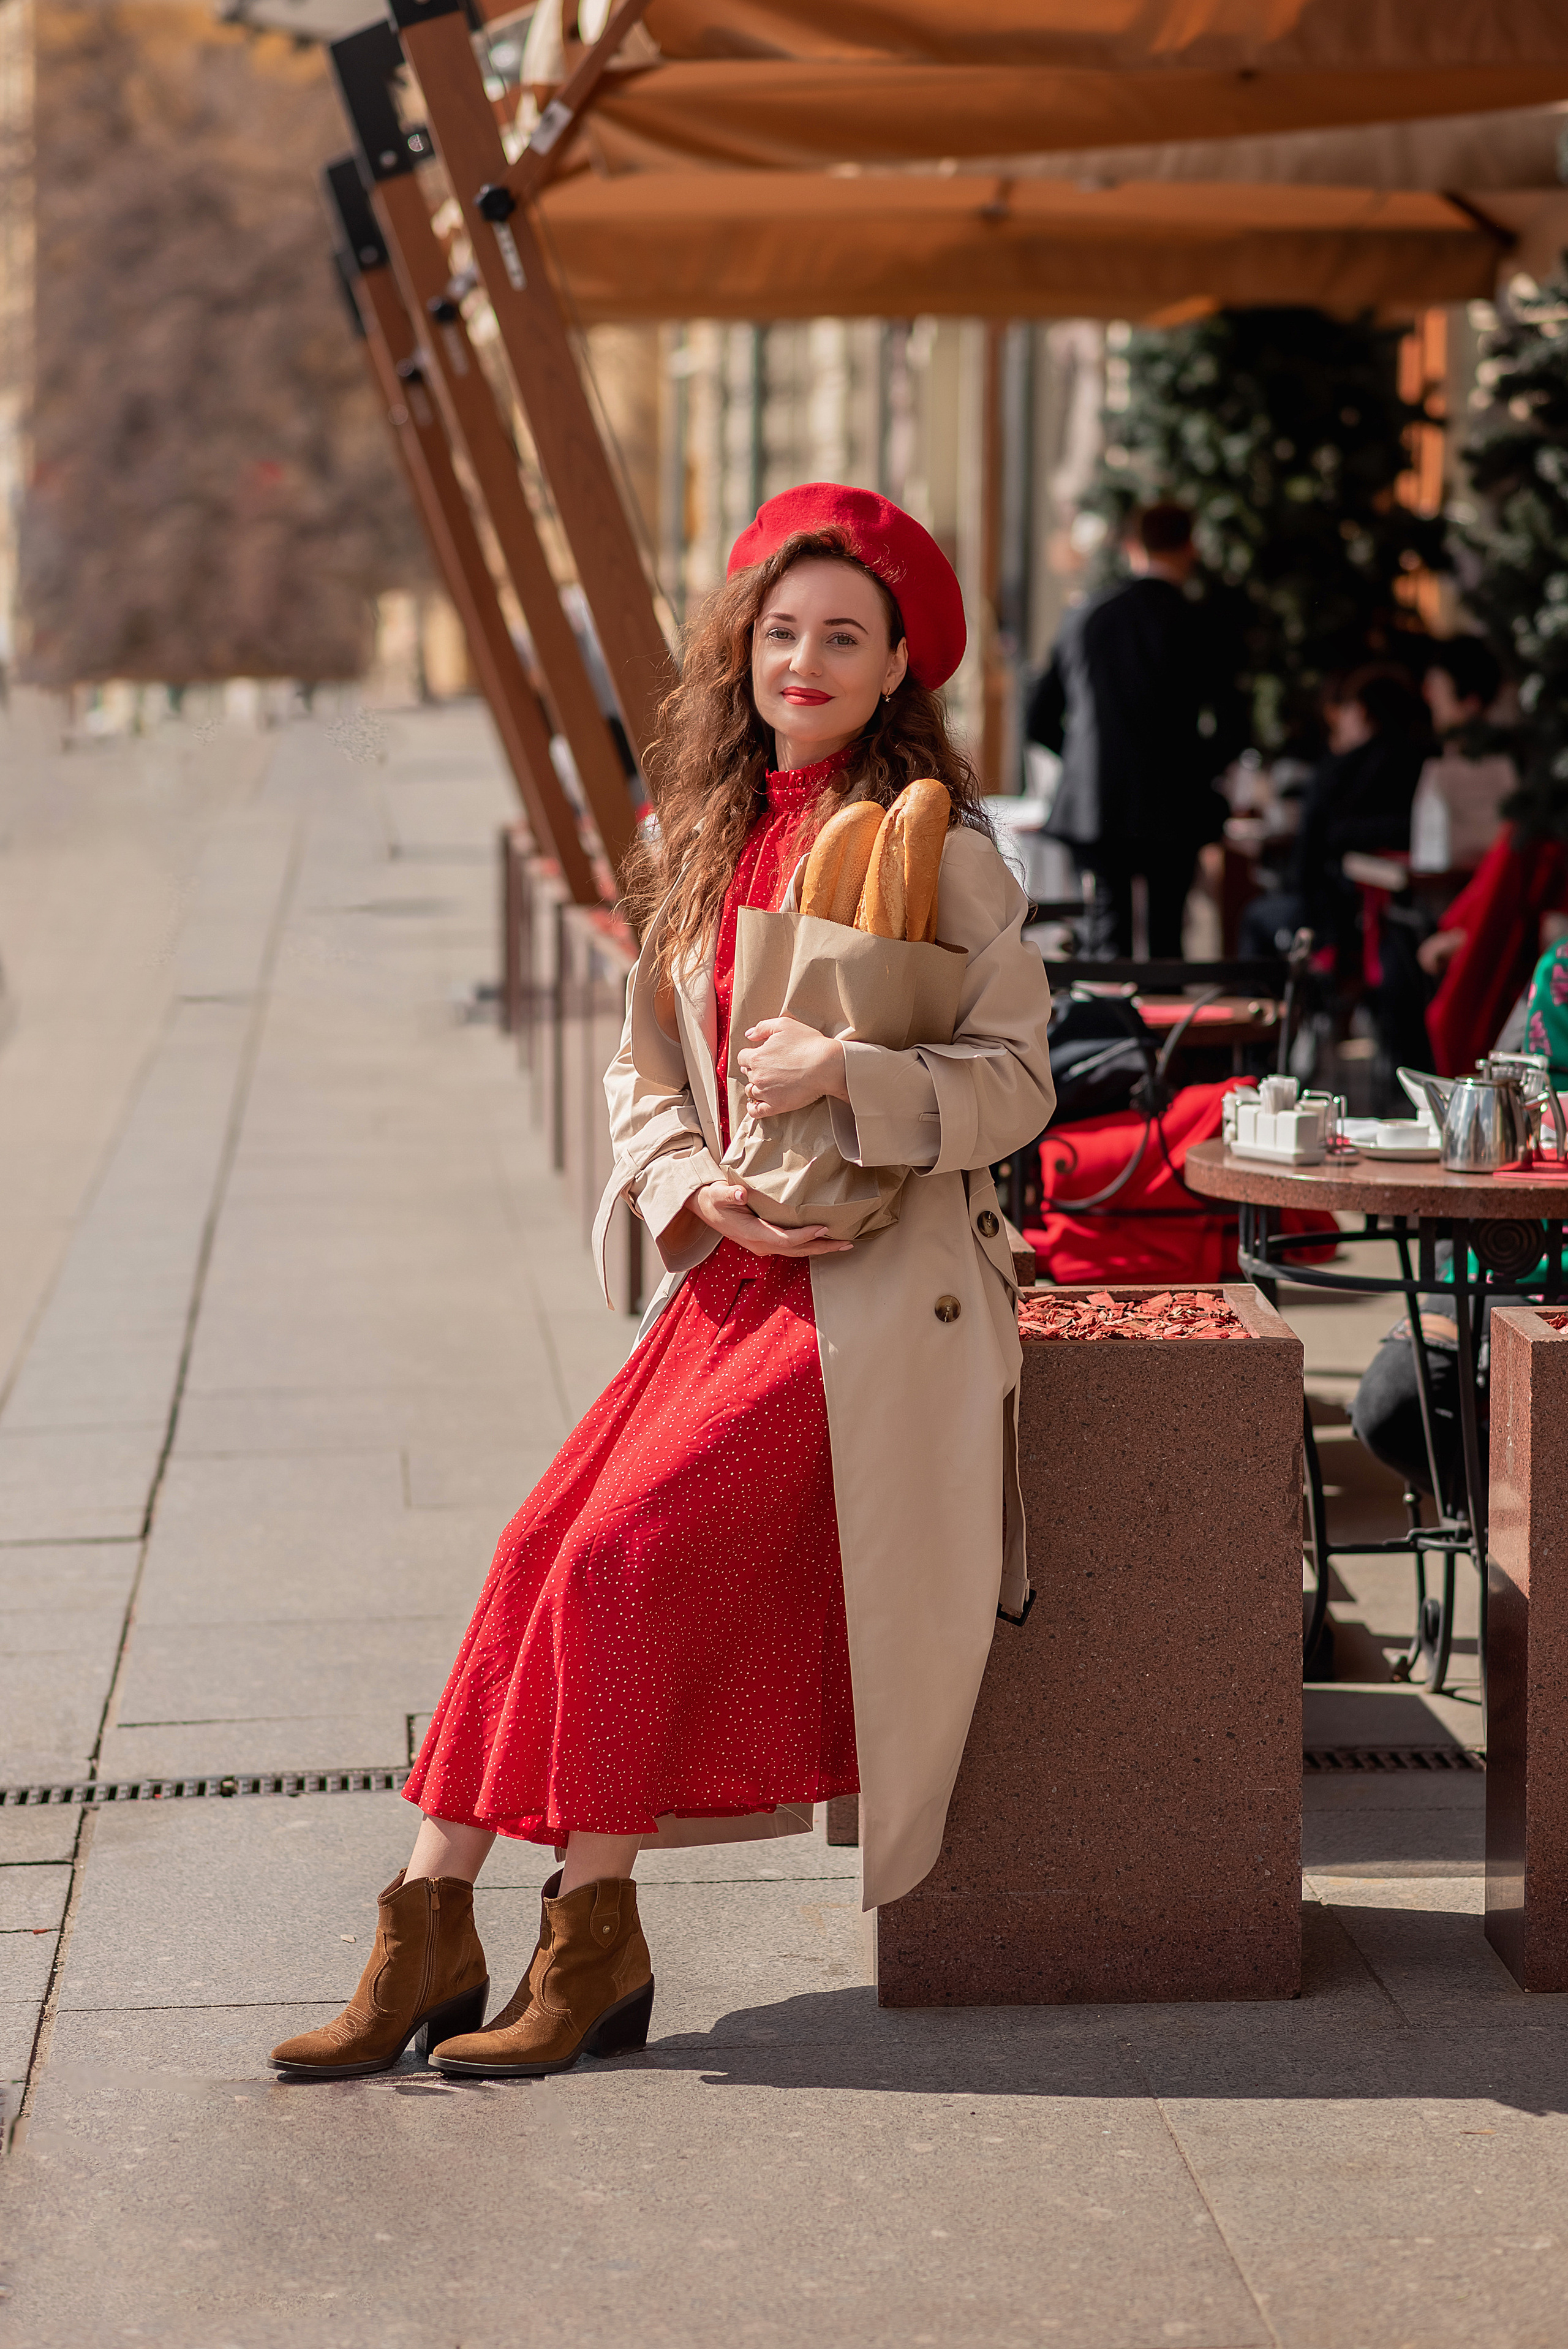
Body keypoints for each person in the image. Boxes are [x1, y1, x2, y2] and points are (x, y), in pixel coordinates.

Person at [268, 483, 1056, 2083]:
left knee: (621, 1562)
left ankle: (593, 1931)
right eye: (783, 634)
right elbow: (646, 1069)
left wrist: (850, 1066)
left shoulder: (946, 851)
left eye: (845, 635)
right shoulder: (697, 829)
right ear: (745, 654)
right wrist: (691, 1181)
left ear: (902, 662)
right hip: (730, 1279)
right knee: (534, 1549)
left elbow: (1022, 1082)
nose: (808, 661)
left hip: (876, 1298)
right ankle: (429, 1927)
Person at [1026, 503, 1246, 957]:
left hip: (1096, 802)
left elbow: (1039, 718)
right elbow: (1234, 726)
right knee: (1169, 940)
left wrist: (1086, 764)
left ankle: (1110, 1024)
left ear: (1131, 546)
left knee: (1108, 933)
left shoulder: (1087, 616)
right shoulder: (1201, 622)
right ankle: (1169, 1024)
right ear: (1190, 547)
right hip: (1177, 802)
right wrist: (1194, 768)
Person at [1240, 664, 1431, 963]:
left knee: (1256, 917)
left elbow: (1308, 857)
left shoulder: (1341, 771)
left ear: (1364, 713)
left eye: (1349, 709)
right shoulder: (1424, 762)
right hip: (1392, 915)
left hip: (1332, 916)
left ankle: (1263, 1007)